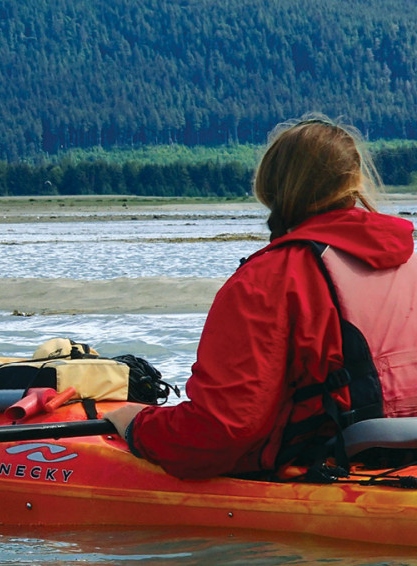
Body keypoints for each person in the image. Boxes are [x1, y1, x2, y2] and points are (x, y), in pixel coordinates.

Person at [105, 114, 417, 479]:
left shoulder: (268, 279)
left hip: (322, 465)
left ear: (270, 187)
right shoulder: (409, 257)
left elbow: (221, 431)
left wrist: (135, 424)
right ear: (354, 183)